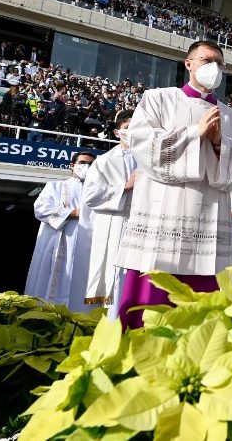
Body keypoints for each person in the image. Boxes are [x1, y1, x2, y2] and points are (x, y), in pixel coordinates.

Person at [115, 40, 232, 328]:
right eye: (207, 60)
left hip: (208, 221)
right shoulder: (158, 100)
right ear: (188, 63)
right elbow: (142, 145)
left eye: (219, 63)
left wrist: (220, 144)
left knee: (202, 316)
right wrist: (195, 134)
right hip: (164, 218)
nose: (214, 68)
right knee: (152, 302)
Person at [24, 151, 96, 312]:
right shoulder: (55, 186)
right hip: (56, 244)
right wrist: (73, 213)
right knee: (51, 281)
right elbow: (40, 209)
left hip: (86, 247)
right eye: (83, 163)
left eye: (91, 164)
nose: (87, 167)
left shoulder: (97, 191)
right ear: (72, 165)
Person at [82, 116, 137, 319]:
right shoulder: (104, 161)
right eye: (127, 127)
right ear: (117, 132)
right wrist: (125, 187)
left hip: (141, 225)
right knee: (113, 274)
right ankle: (109, 321)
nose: (133, 131)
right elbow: (90, 195)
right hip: (115, 223)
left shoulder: (150, 159)